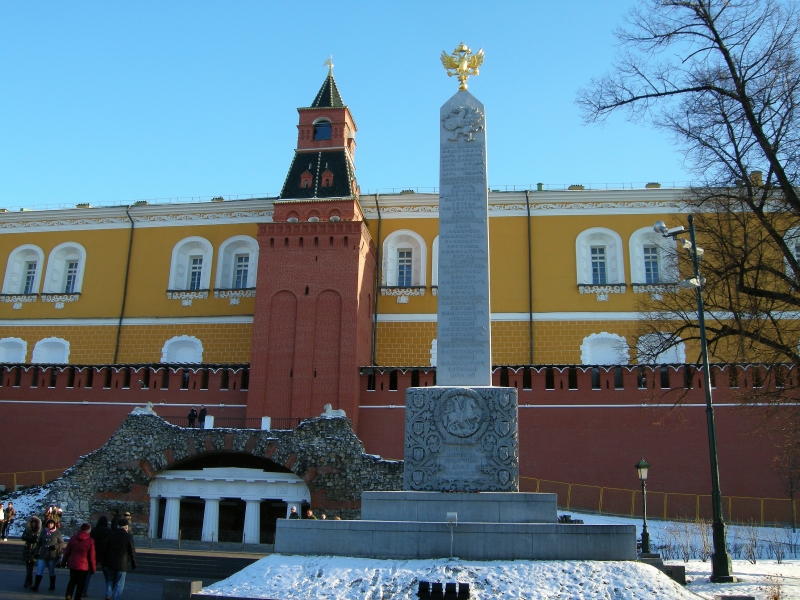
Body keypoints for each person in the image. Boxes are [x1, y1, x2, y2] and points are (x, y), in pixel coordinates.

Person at [102, 517, 136, 600]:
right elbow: (131, 550)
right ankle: (116, 598)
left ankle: (108, 595)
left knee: (110, 580)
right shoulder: (128, 537)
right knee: (119, 583)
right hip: (122, 564)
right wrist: (133, 562)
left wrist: (104, 562)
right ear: (126, 527)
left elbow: (105, 549)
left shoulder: (111, 535)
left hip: (110, 563)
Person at [61, 522, 95, 600]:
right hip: (84, 565)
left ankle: (68, 595)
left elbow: (67, 552)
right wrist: (93, 568)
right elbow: (92, 556)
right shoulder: (90, 540)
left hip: (73, 563)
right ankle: (77, 597)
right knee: (81, 583)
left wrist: (63, 562)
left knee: (72, 581)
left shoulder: (73, 538)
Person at [31, 517, 65, 591]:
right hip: (43, 554)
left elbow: (61, 543)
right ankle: (36, 586)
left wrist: (55, 546)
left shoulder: (57, 532)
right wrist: (36, 553)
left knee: (51, 570)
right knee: (39, 570)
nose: (50, 525)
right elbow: (38, 543)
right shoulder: (43, 532)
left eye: (52, 523)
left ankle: (52, 585)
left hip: (52, 555)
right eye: (49, 523)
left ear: (54, 525)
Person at [82, 515, 111, 598]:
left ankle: (84, 590)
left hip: (94, 553)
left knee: (88, 573)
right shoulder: (109, 531)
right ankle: (108, 593)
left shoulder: (94, 531)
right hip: (105, 554)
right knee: (107, 575)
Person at [21, 515, 41, 588]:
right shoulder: (27, 530)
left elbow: (40, 539)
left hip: (34, 549)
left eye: (35, 523)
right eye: (32, 523)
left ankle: (28, 581)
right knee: (28, 566)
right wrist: (30, 538)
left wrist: (36, 539)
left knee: (31, 567)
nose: (33, 524)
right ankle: (29, 580)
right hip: (27, 549)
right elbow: (23, 537)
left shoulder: (38, 531)